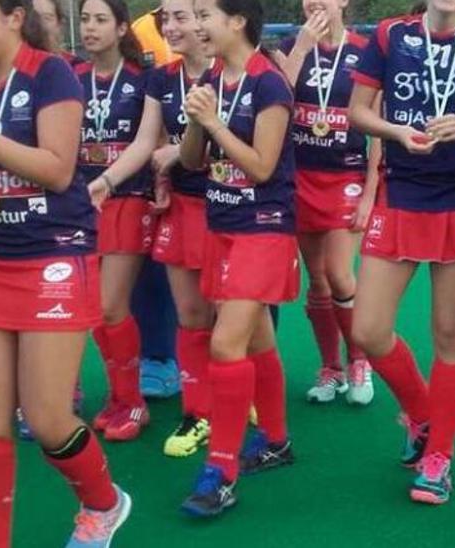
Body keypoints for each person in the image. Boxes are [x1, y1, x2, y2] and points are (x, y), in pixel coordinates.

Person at [0, 0, 131, 545]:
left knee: (47, 419)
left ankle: (104, 505)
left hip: (55, 255)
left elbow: (59, 171)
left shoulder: (50, 71)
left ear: (14, 17)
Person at [348, 0, 455, 505]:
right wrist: (395, 131)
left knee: (449, 333)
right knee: (368, 329)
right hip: (401, 192)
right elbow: (359, 111)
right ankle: (424, 415)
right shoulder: (389, 36)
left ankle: (439, 457)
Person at [176, 0, 300, 518]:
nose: (196, 26)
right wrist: (196, 121)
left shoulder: (268, 82)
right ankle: (276, 440)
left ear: (237, 22)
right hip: (223, 224)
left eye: (205, 15)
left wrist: (215, 122)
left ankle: (220, 473)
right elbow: (189, 162)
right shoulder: (213, 83)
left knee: (226, 344)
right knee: (256, 339)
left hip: (264, 228)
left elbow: (263, 167)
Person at [94, 0, 216, 458]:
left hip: (233, 207)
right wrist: (105, 182)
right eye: (166, 18)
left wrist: (177, 155)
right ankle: (197, 413)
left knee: (232, 317)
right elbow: (146, 141)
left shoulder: (234, 73)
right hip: (182, 207)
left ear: (206, 22)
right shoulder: (161, 79)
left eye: (182, 17)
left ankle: (240, 401)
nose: (170, 26)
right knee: (190, 314)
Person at [274, 0, 379, 407]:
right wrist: (301, 48)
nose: (314, 2)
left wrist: (371, 193)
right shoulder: (289, 44)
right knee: (316, 280)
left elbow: (379, 131)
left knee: (339, 274)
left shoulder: (365, 51)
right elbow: (275, 97)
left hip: (345, 177)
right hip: (299, 178)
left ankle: (359, 360)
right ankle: (330, 367)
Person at [72, 0, 157, 442]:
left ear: (122, 27)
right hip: (83, 203)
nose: (90, 28)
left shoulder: (144, 80)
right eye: (85, 19)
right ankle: (119, 397)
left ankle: (134, 401)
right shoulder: (71, 79)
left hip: (127, 197)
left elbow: (154, 141)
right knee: (93, 312)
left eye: (100, 20)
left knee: (110, 306)